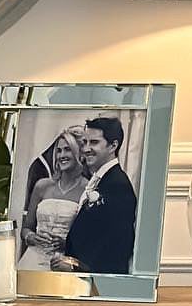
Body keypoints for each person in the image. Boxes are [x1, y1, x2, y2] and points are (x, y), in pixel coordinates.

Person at [56, 116, 138, 275]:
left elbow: (118, 245)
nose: (86, 149)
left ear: (113, 145)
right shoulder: (100, 179)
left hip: (98, 284)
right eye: (84, 142)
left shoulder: (118, 185)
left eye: (94, 142)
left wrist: (76, 266)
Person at [17, 126, 87, 269]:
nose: (61, 156)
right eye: (59, 151)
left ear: (79, 153)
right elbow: (26, 228)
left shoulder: (87, 190)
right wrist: (31, 237)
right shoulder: (42, 186)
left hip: (63, 263)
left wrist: (66, 244)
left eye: (67, 149)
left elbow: (88, 239)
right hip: (32, 260)